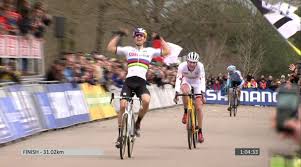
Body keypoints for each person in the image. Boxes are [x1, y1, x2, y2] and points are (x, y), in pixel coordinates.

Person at [106, 27, 170, 148]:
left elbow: (167, 51)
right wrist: (119, 34)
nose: (139, 37)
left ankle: (138, 123)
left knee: (146, 101)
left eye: (141, 35)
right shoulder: (128, 50)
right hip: (129, 82)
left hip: (141, 83)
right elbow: (110, 48)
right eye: (137, 35)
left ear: (145, 38)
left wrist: (159, 38)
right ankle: (120, 136)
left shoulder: (150, 51)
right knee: (123, 105)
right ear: (134, 38)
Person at [173, 52, 206, 143]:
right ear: (187, 61)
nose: (192, 64)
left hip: (197, 83)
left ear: (197, 62)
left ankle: (200, 131)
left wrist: (202, 93)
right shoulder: (182, 66)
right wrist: (176, 92)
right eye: (190, 62)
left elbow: (202, 79)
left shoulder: (200, 66)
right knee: (184, 92)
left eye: (194, 62)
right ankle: (186, 112)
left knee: (199, 108)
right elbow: (178, 79)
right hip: (186, 81)